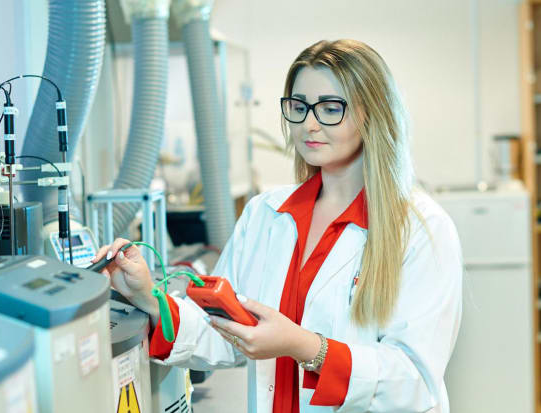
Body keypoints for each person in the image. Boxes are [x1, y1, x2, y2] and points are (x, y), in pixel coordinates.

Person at [94, 39, 463, 413]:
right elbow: (222, 331)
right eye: (299, 107)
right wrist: (148, 298)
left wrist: (305, 346)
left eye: (331, 108)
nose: (310, 123)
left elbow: (414, 381)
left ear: (372, 113)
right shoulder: (265, 215)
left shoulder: (419, 229)